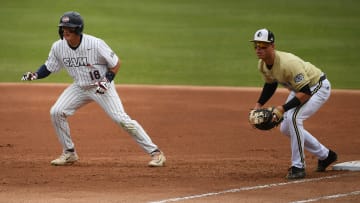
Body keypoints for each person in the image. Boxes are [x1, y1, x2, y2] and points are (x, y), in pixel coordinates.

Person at [21, 11, 166, 167]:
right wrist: (35, 74)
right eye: (63, 28)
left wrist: (106, 81)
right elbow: (49, 67)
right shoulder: (58, 47)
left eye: (69, 28)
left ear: (78, 29)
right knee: (56, 112)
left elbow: (116, 63)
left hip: (101, 86)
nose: (65, 31)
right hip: (79, 86)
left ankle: (156, 153)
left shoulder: (95, 43)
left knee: (121, 119)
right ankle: (69, 153)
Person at [250, 28, 337, 179]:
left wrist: (282, 109)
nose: (259, 49)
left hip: (316, 86)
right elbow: (271, 84)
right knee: (285, 128)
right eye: (256, 45)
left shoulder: (287, 63)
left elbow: (306, 93)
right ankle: (326, 155)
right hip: (300, 89)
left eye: (263, 45)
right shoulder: (262, 65)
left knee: (293, 118)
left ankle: (298, 166)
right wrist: (258, 104)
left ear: (272, 46)